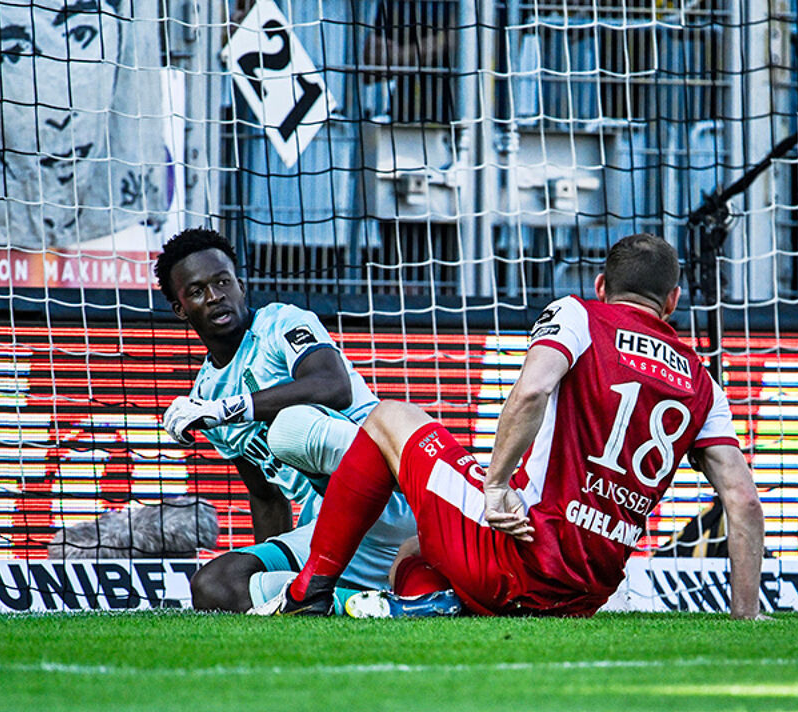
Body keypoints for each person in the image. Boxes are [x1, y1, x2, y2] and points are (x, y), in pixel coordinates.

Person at [261, 233, 766, 619]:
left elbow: (531, 390)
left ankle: (308, 590)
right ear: (673, 301)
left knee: (390, 416)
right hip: (584, 592)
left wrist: (497, 485)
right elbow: (742, 501)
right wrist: (744, 617)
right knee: (415, 554)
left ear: (601, 286)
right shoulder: (703, 383)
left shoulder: (581, 315)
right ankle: (432, 605)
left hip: (520, 553)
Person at [154, 227, 422, 612]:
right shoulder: (206, 396)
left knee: (290, 428)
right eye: (197, 291)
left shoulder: (281, 323)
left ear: (240, 286)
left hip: (395, 497)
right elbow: (265, 497)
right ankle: (372, 603)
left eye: (222, 282)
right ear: (181, 309)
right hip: (336, 533)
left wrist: (227, 409)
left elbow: (333, 386)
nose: (214, 297)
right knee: (215, 584)